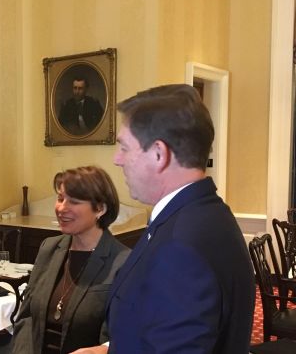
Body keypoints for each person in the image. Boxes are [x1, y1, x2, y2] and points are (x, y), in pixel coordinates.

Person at [78, 84, 256, 354]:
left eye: (124, 147)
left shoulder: (181, 249)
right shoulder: (203, 212)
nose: (117, 159)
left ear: (159, 154)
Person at [12, 166, 130, 354]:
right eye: (60, 198)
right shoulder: (49, 248)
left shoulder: (123, 262)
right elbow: (26, 318)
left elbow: (119, 338)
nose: (61, 208)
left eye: (73, 201)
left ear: (100, 208)